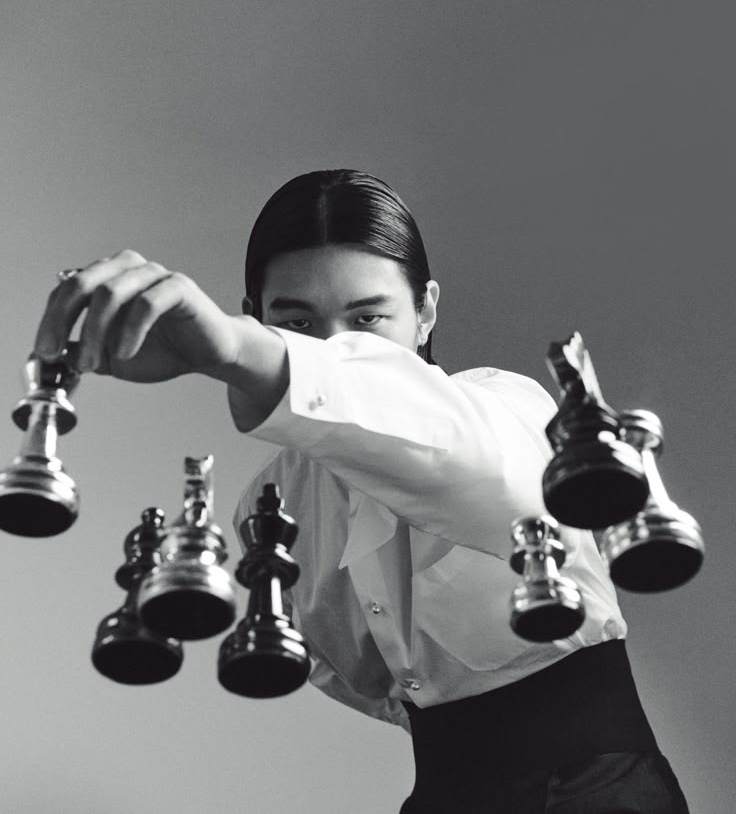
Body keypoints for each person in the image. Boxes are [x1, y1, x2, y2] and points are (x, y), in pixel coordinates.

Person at [33, 169, 689, 812]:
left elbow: (486, 466)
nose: (336, 347)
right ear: (253, 315)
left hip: (594, 792)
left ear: (426, 309)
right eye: (297, 323)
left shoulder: (504, 404)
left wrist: (234, 351)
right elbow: (361, 677)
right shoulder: (274, 501)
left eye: (367, 317)